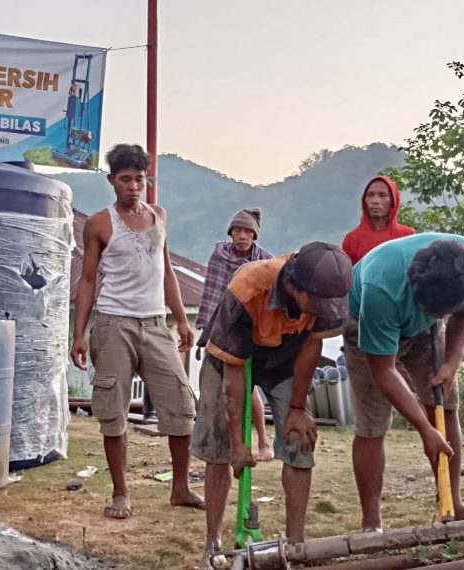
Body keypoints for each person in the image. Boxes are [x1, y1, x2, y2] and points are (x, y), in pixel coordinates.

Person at [193, 242, 351, 566]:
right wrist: (239, 442)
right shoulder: (248, 288)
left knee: (300, 440)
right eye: (316, 302)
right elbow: (235, 371)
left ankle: (296, 546)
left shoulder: (328, 294)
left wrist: (297, 409)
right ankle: (213, 543)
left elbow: (312, 347)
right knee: (219, 447)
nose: (322, 309)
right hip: (228, 356)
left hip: (286, 358)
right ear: (292, 285)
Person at [70, 143, 202, 519]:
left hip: (155, 323)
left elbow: (168, 271)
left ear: (147, 180)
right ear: (112, 181)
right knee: (113, 412)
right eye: (125, 179)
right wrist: (79, 334)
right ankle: (120, 493)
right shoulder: (100, 223)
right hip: (114, 325)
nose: (132, 186)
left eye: (139, 179)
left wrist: (180, 318)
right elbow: (88, 280)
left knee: (180, 405)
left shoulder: (158, 216)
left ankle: (180, 488)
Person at [345, 233, 464, 532]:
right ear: (415, 289)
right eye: (432, 311)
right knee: (372, 423)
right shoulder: (381, 288)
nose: (438, 316)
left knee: (445, 405)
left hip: (425, 333)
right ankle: (371, 523)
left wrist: (451, 363)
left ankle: (451, 502)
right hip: (365, 323)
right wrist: (425, 430)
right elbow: (384, 370)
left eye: (442, 313)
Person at [195, 207, 275, 461]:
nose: (242, 235)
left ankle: (262, 440)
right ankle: (223, 444)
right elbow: (213, 290)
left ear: (254, 235)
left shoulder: (265, 260)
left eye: (247, 231)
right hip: (221, 327)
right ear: (231, 233)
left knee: (249, 388)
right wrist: (208, 329)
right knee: (219, 388)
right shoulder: (220, 256)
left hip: (250, 329)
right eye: (237, 230)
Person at [341, 176, 415, 265]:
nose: (375, 201)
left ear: (393, 201)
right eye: (370, 195)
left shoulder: (407, 236)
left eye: (382, 195)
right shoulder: (352, 239)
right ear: (364, 200)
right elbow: (347, 276)